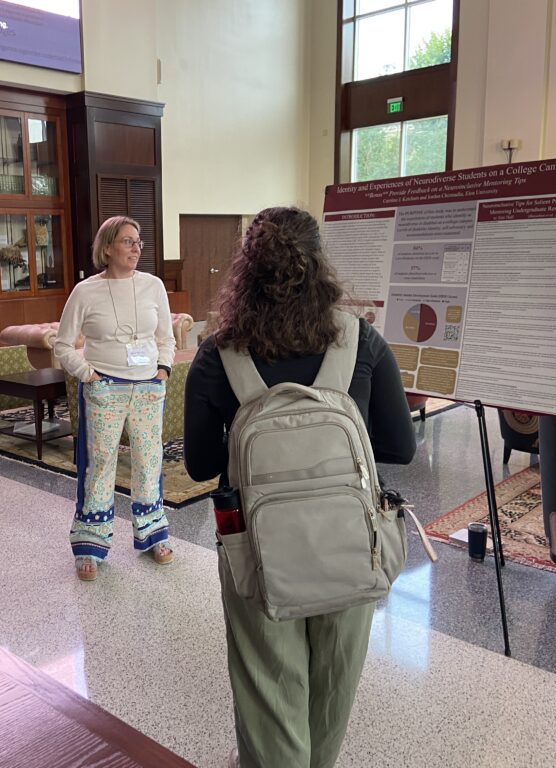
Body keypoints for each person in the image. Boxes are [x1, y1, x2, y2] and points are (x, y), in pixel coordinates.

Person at [183, 206, 416, 767]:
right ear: (319, 264)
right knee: (334, 681)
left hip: (257, 548)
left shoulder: (219, 354)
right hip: (349, 540)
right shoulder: (362, 342)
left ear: (246, 271)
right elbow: (401, 448)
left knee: (268, 681)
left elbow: (199, 465)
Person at [54, 215, 177, 581]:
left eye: (138, 241)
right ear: (107, 248)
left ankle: (154, 533)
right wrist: (89, 374)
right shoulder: (86, 291)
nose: (136, 248)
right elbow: (63, 344)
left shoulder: (153, 286)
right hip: (104, 388)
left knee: (149, 459)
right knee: (101, 464)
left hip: (147, 389)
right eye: (127, 241)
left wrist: (163, 370)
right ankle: (90, 543)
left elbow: (166, 337)